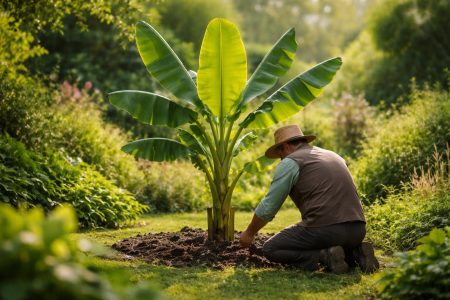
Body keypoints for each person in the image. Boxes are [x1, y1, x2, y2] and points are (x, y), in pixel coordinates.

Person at [239, 125, 379, 273]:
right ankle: (356, 254)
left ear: (285, 146)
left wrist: (249, 233)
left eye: (280, 153)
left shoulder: (290, 162)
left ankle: (323, 257)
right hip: (358, 228)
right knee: (331, 239)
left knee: (271, 248)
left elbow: (269, 207)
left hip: (326, 230)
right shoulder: (333, 155)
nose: (281, 158)